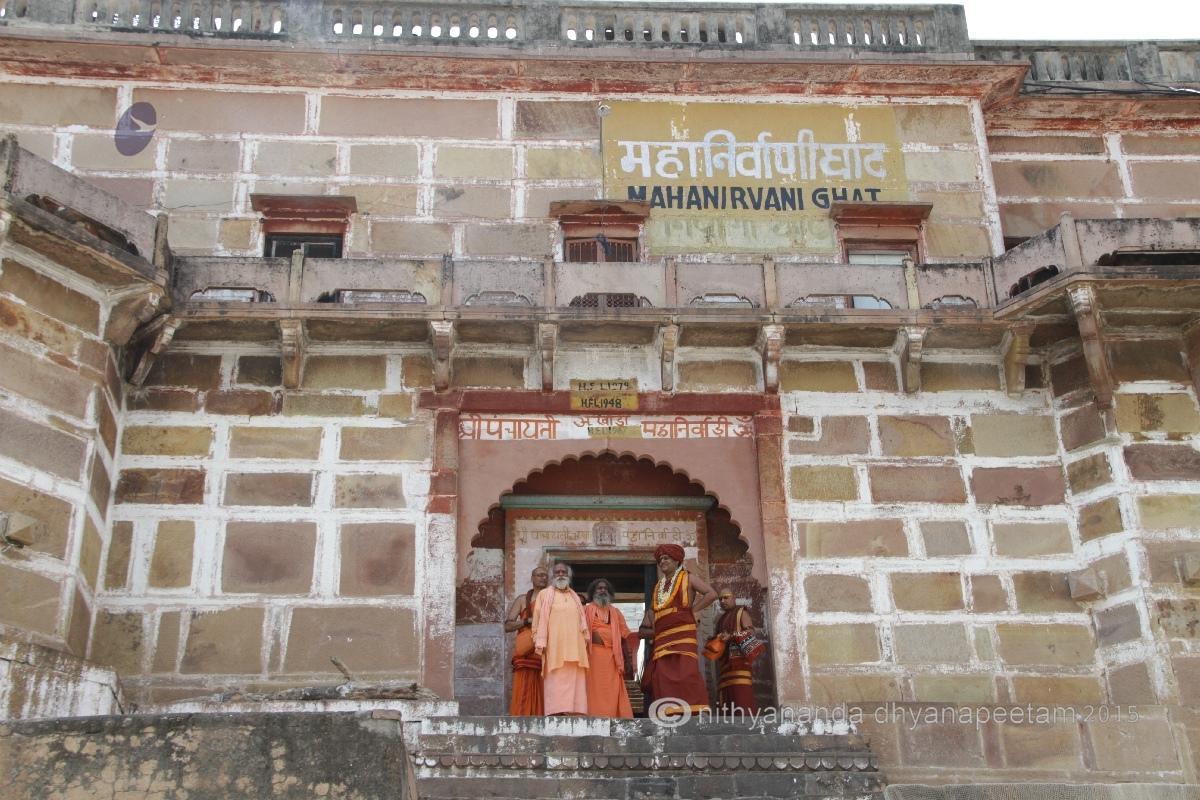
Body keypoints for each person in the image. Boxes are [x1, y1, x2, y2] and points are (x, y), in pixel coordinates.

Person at [639, 543, 717, 717]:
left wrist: (693, 610)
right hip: (662, 637)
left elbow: (711, 594)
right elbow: (653, 610)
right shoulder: (658, 586)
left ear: (676, 561)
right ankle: (667, 711)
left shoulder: (688, 578)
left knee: (685, 671)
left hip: (683, 631)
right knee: (662, 674)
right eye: (660, 560)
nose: (662, 562)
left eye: (666, 558)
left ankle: (693, 710)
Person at [532, 562, 589, 716]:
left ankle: (574, 711)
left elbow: (582, 623)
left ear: (568, 575)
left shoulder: (575, 597)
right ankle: (555, 712)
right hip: (554, 647)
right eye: (557, 572)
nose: (561, 574)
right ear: (552, 576)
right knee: (555, 679)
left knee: (575, 679)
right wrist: (538, 640)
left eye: (564, 572)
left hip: (575, 647)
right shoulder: (544, 595)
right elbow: (536, 621)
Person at [583, 578, 633, 718]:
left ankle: (611, 715)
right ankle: (593, 716)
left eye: (605, 588)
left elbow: (624, 636)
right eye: (599, 588)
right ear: (593, 592)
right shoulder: (586, 610)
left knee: (611, 689)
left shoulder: (616, 612)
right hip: (592, 657)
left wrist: (628, 660)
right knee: (593, 689)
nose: (602, 590)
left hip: (612, 657)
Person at [504, 565, 549, 716]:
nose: (543, 577)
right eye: (539, 575)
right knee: (523, 686)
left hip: (546, 650)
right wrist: (526, 621)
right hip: (526, 650)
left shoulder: (553, 599)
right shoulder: (523, 600)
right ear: (532, 578)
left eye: (545, 575)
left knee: (546, 688)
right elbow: (507, 626)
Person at [713, 588, 761, 714]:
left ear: (733, 598)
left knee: (741, 698)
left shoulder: (741, 612)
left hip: (739, 664)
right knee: (726, 702)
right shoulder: (720, 620)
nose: (722, 601)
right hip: (724, 666)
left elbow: (751, 632)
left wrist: (732, 636)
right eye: (720, 599)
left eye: (726, 597)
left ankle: (748, 723)